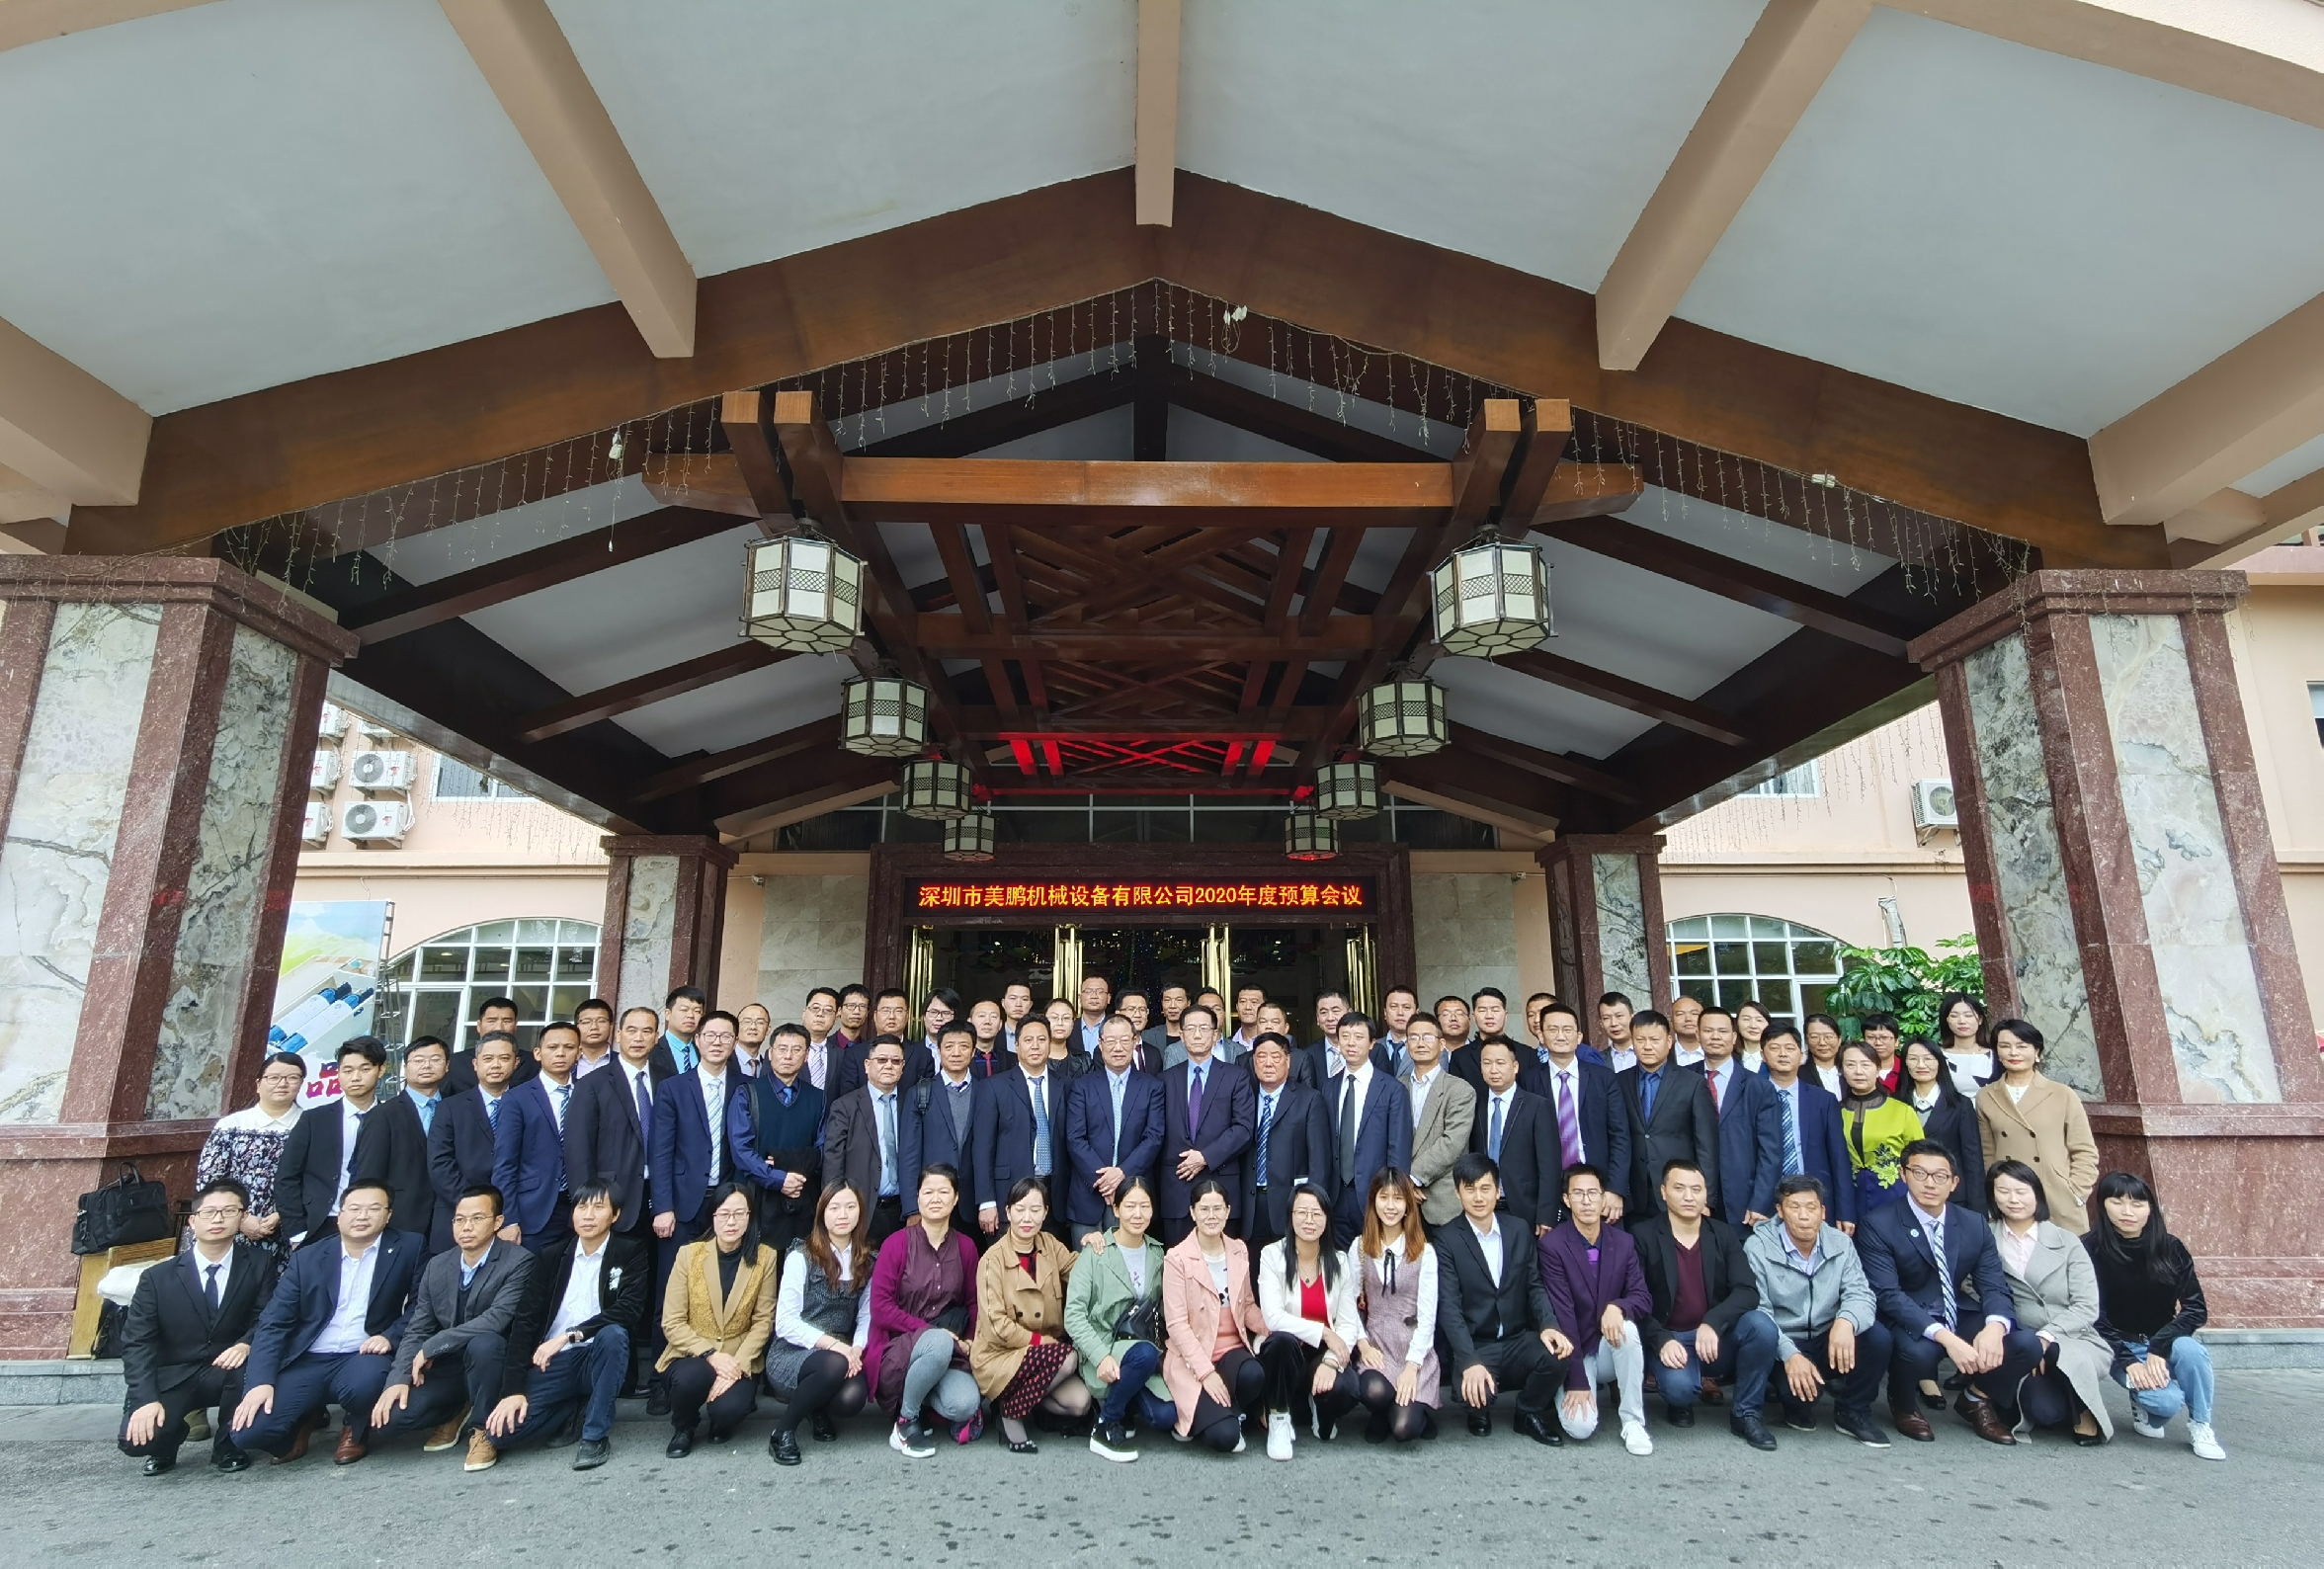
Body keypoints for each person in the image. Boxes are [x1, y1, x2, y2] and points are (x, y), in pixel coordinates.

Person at [1857, 1139, 2040, 1445]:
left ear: (1954, 1183)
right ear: (1903, 1175)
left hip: (1957, 1309)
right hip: (1909, 1316)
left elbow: (1993, 1284)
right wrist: (1947, 1339)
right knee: (1916, 1353)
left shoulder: (1973, 1223)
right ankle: (1903, 1403)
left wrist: (1995, 1326)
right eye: (1920, 1173)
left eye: (1940, 1176)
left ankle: (1976, 1398)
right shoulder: (1878, 1224)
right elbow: (1888, 1294)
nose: (1930, 1183)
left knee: (2025, 1343)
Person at [230, 1178, 426, 1465]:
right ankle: (302, 1420)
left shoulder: (410, 1246)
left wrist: (390, 1336)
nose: (362, 1216)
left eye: (374, 1209)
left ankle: (356, 1428)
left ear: (388, 1215)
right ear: (339, 1215)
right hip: (310, 1357)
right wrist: (260, 1382)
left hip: (364, 1354)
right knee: (248, 1432)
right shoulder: (308, 1257)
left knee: (367, 1383)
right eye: (354, 1209)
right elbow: (274, 1322)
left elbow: (422, 1306)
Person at [480, 1181, 649, 1471]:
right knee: (501, 1433)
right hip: (553, 1362)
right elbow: (525, 1322)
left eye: (598, 1207)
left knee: (614, 1334)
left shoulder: (630, 1251)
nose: (588, 1215)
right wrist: (512, 1390)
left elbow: (628, 1310)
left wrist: (569, 1336)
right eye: (582, 1207)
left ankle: (594, 1436)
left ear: (615, 1215)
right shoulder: (551, 1256)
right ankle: (575, 1406)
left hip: (600, 1356)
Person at [118, 1178, 278, 1474]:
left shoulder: (259, 1263)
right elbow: (137, 1342)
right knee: (136, 1442)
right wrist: (145, 1399)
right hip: (175, 1374)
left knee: (248, 1373)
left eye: (229, 1211)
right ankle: (169, 1439)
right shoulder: (157, 1278)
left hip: (229, 1369)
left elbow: (268, 1316)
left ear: (243, 1217)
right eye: (209, 1212)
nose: (218, 1219)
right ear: (193, 1221)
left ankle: (228, 1446)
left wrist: (246, 1343)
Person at [371, 1185, 535, 1469]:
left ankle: (483, 1429)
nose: (466, 1227)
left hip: (493, 1363)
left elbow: (497, 1318)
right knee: (392, 1419)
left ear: (498, 1222)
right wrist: (397, 1379)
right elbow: (418, 1328)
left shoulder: (519, 1261)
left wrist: (435, 1345)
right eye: (459, 1219)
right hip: (449, 1366)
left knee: (485, 1343)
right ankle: (457, 1409)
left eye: (477, 1218)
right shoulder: (437, 1265)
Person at [1739, 1175, 1892, 1447]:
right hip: (1784, 1339)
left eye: (1811, 1207)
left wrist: (1845, 1322)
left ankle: (1853, 1411)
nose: (1804, 1216)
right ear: (1780, 1211)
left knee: (1878, 1337)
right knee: (1800, 1397)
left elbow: (1860, 1293)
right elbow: (1759, 1309)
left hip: (1828, 1337)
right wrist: (1790, 1354)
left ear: (1823, 1212)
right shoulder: (1758, 1247)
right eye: (1794, 1207)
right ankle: (1794, 1404)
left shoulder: (1840, 1243)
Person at [1631, 1161, 1777, 1440]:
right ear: (1663, 1192)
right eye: (1679, 1188)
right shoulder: (1644, 1235)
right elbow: (1635, 1299)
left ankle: (1746, 1413)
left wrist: (1712, 1322)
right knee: (1679, 1390)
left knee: (1761, 1327)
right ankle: (1680, 1401)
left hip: (1714, 1338)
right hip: (1671, 1338)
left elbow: (1747, 1290)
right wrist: (1661, 1339)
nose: (1689, 1196)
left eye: (1696, 1189)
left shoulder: (1723, 1233)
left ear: (1705, 1194)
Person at [1433, 1153, 1570, 1445]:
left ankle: (1527, 1412)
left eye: (1485, 1188)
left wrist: (1549, 1325)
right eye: (1470, 1189)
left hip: (1517, 1339)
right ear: (1457, 1193)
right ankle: (1478, 1410)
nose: (1478, 1197)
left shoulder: (1518, 1230)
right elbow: (1450, 1308)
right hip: (1478, 1343)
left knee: (1558, 1354)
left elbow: (1534, 1285)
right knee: (1474, 1395)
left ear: (1498, 1191)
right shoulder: (1446, 1239)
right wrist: (1468, 1360)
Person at [2088, 1171, 2223, 1460]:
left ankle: (2201, 1425)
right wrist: (2128, 1361)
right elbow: (2093, 1315)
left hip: (2163, 1342)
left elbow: (2196, 1309)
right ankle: (2145, 1401)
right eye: (2117, 1202)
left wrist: (2159, 1347)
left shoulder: (2171, 1248)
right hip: (2118, 1344)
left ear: (2150, 1208)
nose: (2127, 1212)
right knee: (2166, 1404)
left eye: (2137, 1204)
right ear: (2102, 1204)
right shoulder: (2089, 1248)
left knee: (2192, 1352)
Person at [1986, 1160, 2111, 1445]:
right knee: (2046, 1413)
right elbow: (1975, 1289)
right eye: (2003, 1191)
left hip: (2072, 1335)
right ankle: (2060, 1389)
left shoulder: (2067, 1241)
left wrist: (2045, 1337)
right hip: (2017, 1337)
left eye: (2021, 1191)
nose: (2013, 1199)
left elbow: (2086, 1306)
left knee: (2061, 1354)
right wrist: (2028, 1342)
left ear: (2037, 1194)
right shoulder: (1985, 1237)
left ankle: (2082, 1405)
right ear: (1992, 1195)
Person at [869, 1165, 985, 1457]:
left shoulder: (966, 1247)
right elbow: (880, 1308)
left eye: (944, 1192)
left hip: (948, 1351)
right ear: (917, 1198)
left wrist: (970, 1339)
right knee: (939, 1341)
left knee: (965, 1404)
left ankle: (921, 1397)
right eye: (928, 1192)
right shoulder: (896, 1244)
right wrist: (931, 1332)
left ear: (955, 1199)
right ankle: (905, 1423)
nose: (936, 1198)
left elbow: (974, 1302)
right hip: (899, 1348)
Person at [1537, 1163, 1653, 1453]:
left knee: (1628, 1329)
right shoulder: (1552, 1245)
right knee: (1580, 1428)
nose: (1587, 1201)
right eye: (1578, 1194)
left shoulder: (1623, 1242)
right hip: (1574, 1349)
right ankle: (1564, 1390)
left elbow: (1642, 1297)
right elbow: (1563, 1313)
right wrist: (1577, 1380)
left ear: (1603, 1199)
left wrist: (1618, 1307)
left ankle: (1633, 1421)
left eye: (1593, 1193)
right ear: (1566, 1200)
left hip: (1608, 1346)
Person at [969, 1178, 1091, 1452]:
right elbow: (996, 1326)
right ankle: (1012, 1413)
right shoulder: (992, 1260)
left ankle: (1014, 1402)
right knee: (1068, 1358)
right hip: (1000, 1356)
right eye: (1020, 1209)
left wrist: (1097, 1245)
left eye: (1035, 1210)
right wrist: (1039, 1341)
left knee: (1080, 1403)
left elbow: (1082, 1272)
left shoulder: (1050, 1245)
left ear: (1045, 1213)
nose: (1027, 1218)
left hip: (1043, 1359)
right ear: (1008, 1211)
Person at [656, 1181, 778, 1455]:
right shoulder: (689, 1255)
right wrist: (711, 1355)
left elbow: (763, 1321)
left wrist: (736, 1365)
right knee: (691, 1378)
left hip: (738, 1354)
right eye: (724, 1214)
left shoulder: (765, 1257)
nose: (731, 1222)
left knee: (728, 1411)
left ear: (750, 1216)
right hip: (692, 1354)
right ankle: (684, 1426)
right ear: (713, 1216)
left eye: (739, 1213)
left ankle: (720, 1420)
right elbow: (672, 1321)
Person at [1066, 1174, 1176, 1462]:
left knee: (1166, 1416)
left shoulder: (1158, 1254)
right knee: (1144, 1354)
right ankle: (1106, 1423)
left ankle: (1121, 1403)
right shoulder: (1095, 1251)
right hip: (1105, 1346)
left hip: (1143, 1352)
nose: (1137, 1214)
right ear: (1115, 1209)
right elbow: (1073, 1315)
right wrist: (1100, 1356)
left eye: (1144, 1206)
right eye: (1129, 1206)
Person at [765, 1184, 875, 1466]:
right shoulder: (801, 1256)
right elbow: (785, 1323)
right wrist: (837, 1347)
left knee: (853, 1397)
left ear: (860, 1213)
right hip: (792, 1352)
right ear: (822, 1214)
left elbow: (867, 1314)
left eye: (850, 1207)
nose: (843, 1215)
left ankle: (817, 1409)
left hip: (841, 1354)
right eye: (834, 1208)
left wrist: (857, 1349)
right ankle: (782, 1432)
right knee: (833, 1364)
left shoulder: (867, 1260)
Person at [1254, 1182, 1364, 1460]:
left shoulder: (1339, 1261)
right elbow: (1273, 1318)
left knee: (1347, 1389)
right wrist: (1324, 1332)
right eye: (1301, 1212)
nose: (1309, 1220)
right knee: (1280, 1341)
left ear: (1327, 1218)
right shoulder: (1272, 1255)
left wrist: (1330, 1362)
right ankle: (1279, 1418)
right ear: (1290, 1216)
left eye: (1317, 1213)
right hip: (1285, 1355)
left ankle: (1322, 1410)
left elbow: (1348, 1323)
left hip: (1320, 1355)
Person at [1162, 1175, 1271, 1452]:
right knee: (1226, 1438)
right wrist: (1206, 1373)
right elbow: (1176, 1325)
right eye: (1204, 1209)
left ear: (1228, 1211)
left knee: (1254, 1374)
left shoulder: (1238, 1250)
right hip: (1193, 1358)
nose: (1211, 1216)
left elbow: (1246, 1305)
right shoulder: (1176, 1258)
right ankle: (1221, 1416)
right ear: (1193, 1213)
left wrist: (1272, 1328)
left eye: (1218, 1208)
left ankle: (1230, 1409)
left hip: (1231, 1351)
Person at [565, 1005, 673, 1253]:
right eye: (632, 1031)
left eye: (647, 1031)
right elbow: (578, 1150)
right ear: (619, 1034)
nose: (639, 1038)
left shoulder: (668, 1081)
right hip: (612, 1196)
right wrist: (588, 1205)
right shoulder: (593, 1084)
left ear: (656, 1037)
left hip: (660, 1196)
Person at [1977, 1019, 2099, 1236]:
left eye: (2022, 1046)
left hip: (2056, 1196)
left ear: (2037, 1052)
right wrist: (1995, 1191)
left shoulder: (2062, 1094)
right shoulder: (1986, 1096)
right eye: (2005, 1046)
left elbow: (2084, 1150)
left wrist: (2077, 1192)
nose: (2013, 1052)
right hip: (2011, 1196)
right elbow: (1988, 1153)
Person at [1346, 1168, 1439, 1445]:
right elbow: (1348, 1303)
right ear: (1373, 1201)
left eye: (1398, 1198)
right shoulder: (1360, 1247)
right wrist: (1363, 1344)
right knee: (1373, 1390)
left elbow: (1428, 1316)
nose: (1390, 1206)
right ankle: (1382, 1410)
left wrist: (1412, 1366)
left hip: (1413, 1348)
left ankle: (1412, 1412)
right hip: (1377, 1345)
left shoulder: (1425, 1252)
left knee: (1403, 1429)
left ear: (1408, 1205)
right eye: (1383, 1197)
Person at [1517, 1003, 1630, 1222]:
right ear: (1541, 1036)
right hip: (1550, 1192)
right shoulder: (1528, 1081)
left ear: (1579, 1037)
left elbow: (1620, 1136)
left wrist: (1615, 1189)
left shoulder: (1604, 1078)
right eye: (1553, 1029)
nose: (1561, 1036)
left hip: (1600, 1189)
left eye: (1567, 1029)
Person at [651, 1004, 750, 1255]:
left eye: (725, 1036)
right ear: (697, 1040)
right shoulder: (672, 1088)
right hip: (682, 1203)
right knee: (676, 1274)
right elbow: (661, 1151)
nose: (717, 1042)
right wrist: (663, 1207)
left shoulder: (748, 1087)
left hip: (729, 1201)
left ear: (735, 1042)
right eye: (710, 1035)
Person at [192, 1052, 304, 1266]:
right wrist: (241, 1218)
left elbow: (316, 1180)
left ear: (301, 1083)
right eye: (274, 1077)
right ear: (258, 1084)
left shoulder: (311, 1125)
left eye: (292, 1078)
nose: (282, 1084)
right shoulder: (231, 1125)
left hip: (290, 1230)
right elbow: (210, 1181)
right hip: (230, 1226)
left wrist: (281, 1215)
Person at [276, 1035, 387, 1247]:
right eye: (347, 1070)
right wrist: (297, 1232)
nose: (355, 1077)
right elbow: (287, 1176)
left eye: (365, 1069)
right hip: (320, 1223)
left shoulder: (392, 1118)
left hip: (374, 1225)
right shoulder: (314, 1119)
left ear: (381, 1070)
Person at [1063, 1015, 1166, 1242]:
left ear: (1135, 1041)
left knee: (1126, 1262)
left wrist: (1121, 1174)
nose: (1117, 1048)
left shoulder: (1152, 1087)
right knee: (1086, 1262)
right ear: (1100, 1044)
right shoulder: (1082, 1087)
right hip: (1087, 1194)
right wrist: (1104, 1181)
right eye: (1110, 1041)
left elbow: (1154, 1137)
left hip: (1132, 1193)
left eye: (1124, 1040)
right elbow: (1075, 1138)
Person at [1160, 1005, 1256, 1244]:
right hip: (1176, 1189)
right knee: (1178, 1261)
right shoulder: (1165, 1080)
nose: (1197, 1034)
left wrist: (1205, 1156)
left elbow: (1243, 1129)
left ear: (1215, 1035)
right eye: (1190, 1028)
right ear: (1181, 1035)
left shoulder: (1236, 1076)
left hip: (1221, 1185)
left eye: (1204, 1028)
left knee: (1223, 1261)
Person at [733, 1020, 828, 1257]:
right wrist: (778, 1179)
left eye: (796, 1050)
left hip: (801, 1198)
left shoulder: (818, 1098)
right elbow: (741, 1149)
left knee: (797, 1266)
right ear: (770, 1052)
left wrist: (793, 1176)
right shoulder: (748, 1093)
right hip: (757, 1197)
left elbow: (823, 1150)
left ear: (806, 1056)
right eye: (782, 1049)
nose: (788, 1056)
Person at [1617, 1011, 1719, 1221]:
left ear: (1669, 1042)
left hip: (1680, 1188)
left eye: (1654, 1040)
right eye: (1640, 1040)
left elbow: (1706, 1145)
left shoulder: (1692, 1083)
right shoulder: (1619, 1082)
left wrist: (1706, 1197)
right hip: (1634, 1192)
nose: (1647, 1046)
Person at [976, 1014, 1071, 1240]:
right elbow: (982, 1148)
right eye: (1028, 1040)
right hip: (1009, 1197)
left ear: (1050, 1044)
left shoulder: (1067, 1086)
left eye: (1042, 1039)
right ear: (1017, 1046)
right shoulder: (994, 1087)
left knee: (1051, 1260)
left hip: (1055, 1198)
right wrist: (986, 1201)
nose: (1035, 1046)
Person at [1324, 1011, 1414, 1247]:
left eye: (1358, 1037)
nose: (1351, 1043)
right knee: (1339, 1262)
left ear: (1372, 1043)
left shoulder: (1392, 1089)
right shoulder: (1329, 1087)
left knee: (1376, 1260)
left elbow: (1398, 1147)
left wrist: (1393, 1195)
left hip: (1377, 1193)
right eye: (1345, 1036)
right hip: (1335, 1195)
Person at [492, 1021, 582, 1253]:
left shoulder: (589, 1092)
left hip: (580, 1207)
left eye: (569, 1047)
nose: (560, 1053)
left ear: (579, 1053)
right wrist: (508, 1218)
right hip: (533, 1209)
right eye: (552, 1047)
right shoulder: (517, 1098)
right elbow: (505, 1162)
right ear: (538, 1053)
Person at [1760, 1025, 1858, 1231]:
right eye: (1775, 1048)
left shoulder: (1823, 1100)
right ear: (1762, 1055)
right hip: (1765, 1201)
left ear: (1802, 1055)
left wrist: (1845, 1211)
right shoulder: (1751, 1097)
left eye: (1790, 1048)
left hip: (1816, 1198)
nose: (1783, 1054)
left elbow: (1839, 1158)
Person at [1242, 1033, 1333, 1254]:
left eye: (1275, 1056)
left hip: (1291, 1204)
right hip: (1249, 1206)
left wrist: (1311, 1207)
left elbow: (1319, 1162)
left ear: (1288, 1060)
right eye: (1261, 1056)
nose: (1268, 1063)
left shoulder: (1309, 1099)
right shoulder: (1243, 1097)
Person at [428, 1033, 517, 1258]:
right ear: (476, 1064)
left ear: (516, 1063)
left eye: (504, 1058)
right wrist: (476, 1207)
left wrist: (507, 1212)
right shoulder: (450, 1107)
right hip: (456, 1213)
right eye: (488, 1059)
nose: (496, 1065)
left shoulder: (527, 1104)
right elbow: (440, 1163)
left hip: (513, 1217)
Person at [1695, 1006, 1784, 1228]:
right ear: (1698, 1034)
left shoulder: (1758, 1087)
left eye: (1723, 1031)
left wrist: (1760, 1202)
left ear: (1734, 1037)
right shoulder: (1681, 1078)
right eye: (1708, 1031)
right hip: (1694, 1196)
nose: (1715, 1037)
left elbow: (1770, 1152)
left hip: (1743, 1199)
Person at [903, 1022, 991, 1232]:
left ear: (973, 1052)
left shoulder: (988, 1092)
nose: (956, 1053)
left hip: (974, 1202)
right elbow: (909, 1154)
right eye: (949, 1046)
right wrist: (912, 1208)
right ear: (939, 1050)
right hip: (932, 1200)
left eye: (964, 1046)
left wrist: (988, 1201)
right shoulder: (920, 1093)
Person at [823, 1035, 908, 1246]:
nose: (889, 1066)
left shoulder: (912, 1103)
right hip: (861, 1208)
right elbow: (833, 1159)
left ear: (902, 1067)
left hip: (903, 1210)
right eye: (882, 1060)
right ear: (867, 1065)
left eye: (895, 1061)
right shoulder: (845, 1106)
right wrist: (836, 1205)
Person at [1472, 1038, 1563, 1234]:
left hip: (1525, 1206)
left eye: (1500, 1063)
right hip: (1483, 1205)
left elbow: (1550, 1166)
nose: (1493, 1070)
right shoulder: (1474, 1104)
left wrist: (1546, 1215)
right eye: (1487, 1063)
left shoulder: (1537, 1106)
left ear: (1515, 1067)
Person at [1399, 1015, 1476, 1228]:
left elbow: (1452, 1143)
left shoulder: (1460, 1090)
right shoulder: (1395, 1087)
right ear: (1406, 1045)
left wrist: (1410, 1178)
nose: (1420, 1043)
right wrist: (1400, 1182)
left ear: (1442, 1044)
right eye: (1413, 1037)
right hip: (1399, 1201)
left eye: (1427, 1037)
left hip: (1441, 1200)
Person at [1838, 1040, 1923, 1215]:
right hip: (1850, 1198)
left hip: (1895, 1195)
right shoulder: (1834, 1111)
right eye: (1850, 1065)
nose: (1858, 1071)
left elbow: (1920, 1158)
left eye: (1866, 1065)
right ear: (1842, 1070)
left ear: (1877, 1069)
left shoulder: (1902, 1111)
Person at [1899, 1037, 1984, 1194]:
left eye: (1928, 1059)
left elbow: (1973, 1159)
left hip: (1951, 1193)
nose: (1921, 1065)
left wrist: (1977, 1203)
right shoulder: (1895, 1104)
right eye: (1913, 1059)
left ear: (1939, 1062)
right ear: (1905, 1063)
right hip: (1905, 1191)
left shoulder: (1960, 1105)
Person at [445, 996, 530, 1092]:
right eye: (491, 1021)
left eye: (507, 1021)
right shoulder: (455, 1063)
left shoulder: (532, 1064)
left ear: (515, 1026)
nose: (499, 1028)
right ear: (479, 1025)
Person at [1937, 991, 1996, 1096]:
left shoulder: (1996, 1056)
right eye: (1954, 1016)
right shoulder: (1936, 1056)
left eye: (1968, 1015)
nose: (1962, 1021)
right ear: (1946, 1020)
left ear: (1980, 1019)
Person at [801, 987, 845, 1089]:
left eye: (828, 1010)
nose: (820, 1014)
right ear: (804, 1013)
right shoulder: (782, 1051)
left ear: (836, 1018)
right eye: (815, 1008)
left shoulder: (841, 1056)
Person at [662, 984, 707, 1075]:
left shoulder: (704, 1051)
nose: (690, 1015)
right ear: (668, 1014)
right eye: (684, 1010)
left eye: (697, 1011)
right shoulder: (651, 1051)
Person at [1859, 1012, 1904, 1092]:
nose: (1878, 1043)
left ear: (1896, 1042)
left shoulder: (1907, 1069)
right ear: (1863, 1041)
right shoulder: (1857, 1070)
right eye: (1871, 1037)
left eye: (1884, 1037)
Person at [965, 999, 1011, 1080]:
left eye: (993, 1016)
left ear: (1000, 1024)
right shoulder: (959, 1058)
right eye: (981, 1016)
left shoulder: (1012, 1060)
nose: (987, 1021)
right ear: (970, 1022)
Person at [572, 998, 617, 1078]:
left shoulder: (623, 1063)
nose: (594, 1027)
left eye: (601, 1021)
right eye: (586, 1022)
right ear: (576, 1028)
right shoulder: (567, 1061)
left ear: (611, 1027)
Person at [1803, 1014, 1847, 1095]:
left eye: (1828, 1037)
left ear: (1839, 1040)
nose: (1822, 1043)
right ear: (1806, 1041)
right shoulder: (1798, 1075)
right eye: (1814, 1037)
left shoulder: (1851, 1071)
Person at [1596, 992, 1636, 1072]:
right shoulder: (1597, 1061)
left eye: (1619, 1016)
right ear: (1601, 1024)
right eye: (1606, 1018)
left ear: (1632, 1018)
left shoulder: (1650, 1053)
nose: (1614, 1023)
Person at [736, 1001, 774, 1080]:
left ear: (768, 1030)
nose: (753, 1027)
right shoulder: (723, 1061)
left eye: (760, 1022)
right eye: (747, 1021)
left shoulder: (770, 1067)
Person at [1735, 1000, 1773, 1075]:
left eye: (1759, 1020)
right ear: (1737, 1023)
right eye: (1746, 1019)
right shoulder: (1729, 1058)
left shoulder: (1775, 1058)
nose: (1753, 1026)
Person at [1668, 993, 1705, 1067]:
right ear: (1671, 1022)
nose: (1688, 1019)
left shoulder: (1719, 1053)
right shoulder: (1663, 1056)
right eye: (1680, 1014)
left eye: (1694, 1013)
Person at [1002, 980, 1038, 1055]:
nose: (1018, 1004)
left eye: (1024, 999)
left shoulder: (1040, 1035)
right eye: (1013, 998)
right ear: (1003, 1003)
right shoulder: (994, 1035)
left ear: (1030, 1004)